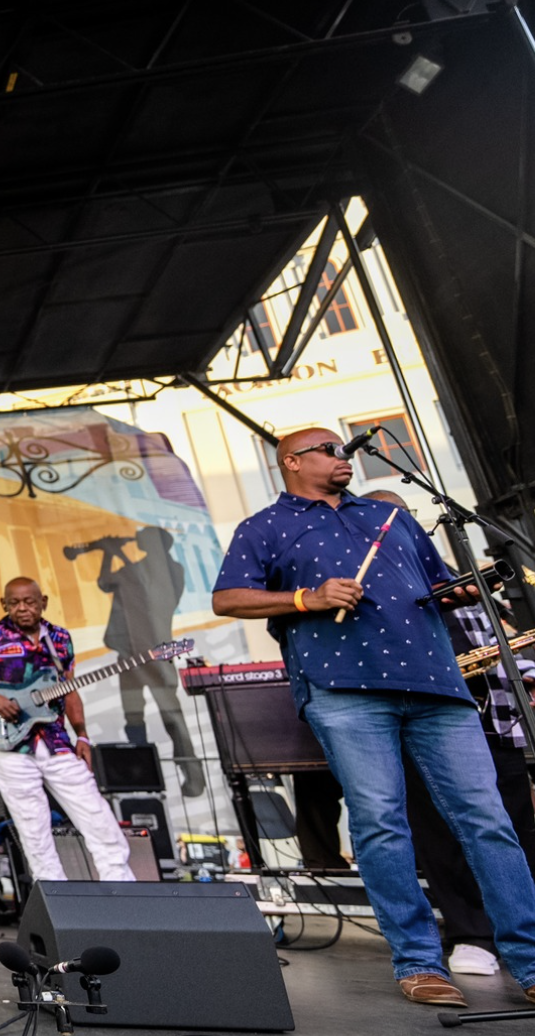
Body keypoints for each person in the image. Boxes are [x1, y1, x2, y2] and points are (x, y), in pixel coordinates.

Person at [211, 427, 535, 1008]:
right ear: (292, 462)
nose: (344, 458)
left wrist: (454, 593)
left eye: (345, 450)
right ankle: (418, 962)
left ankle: (530, 961)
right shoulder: (264, 527)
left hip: (437, 683)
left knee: (488, 820)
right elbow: (229, 597)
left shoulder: (393, 518)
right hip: (344, 688)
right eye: (331, 450)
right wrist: (306, 598)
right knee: (382, 823)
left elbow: (434, 584)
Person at [363, 491, 535, 979]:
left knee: (513, 830)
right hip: (420, 725)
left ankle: (523, 934)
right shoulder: (373, 589)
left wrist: (525, 672)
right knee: (439, 838)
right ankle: (471, 934)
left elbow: (499, 644)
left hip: (493, 725)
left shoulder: (454, 580)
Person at [0, 578, 135, 882]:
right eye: (14, 603)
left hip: (57, 741)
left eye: (30, 602)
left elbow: (70, 689)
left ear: (43, 602)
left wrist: (82, 734)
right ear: (4, 605)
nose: (22, 608)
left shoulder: (60, 637)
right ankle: (56, 901)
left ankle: (124, 890)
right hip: (10, 746)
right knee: (34, 830)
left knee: (97, 817)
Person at [91, 528, 204, 796]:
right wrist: (109, 553)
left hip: (154, 654)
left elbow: (135, 584)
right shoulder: (142, 569)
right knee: (134, 716)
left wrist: (112, 549)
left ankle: (192, 775)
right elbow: (106, 582)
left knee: (171, 718)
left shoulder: (169, 571)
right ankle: (141, 777)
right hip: (129, 652)